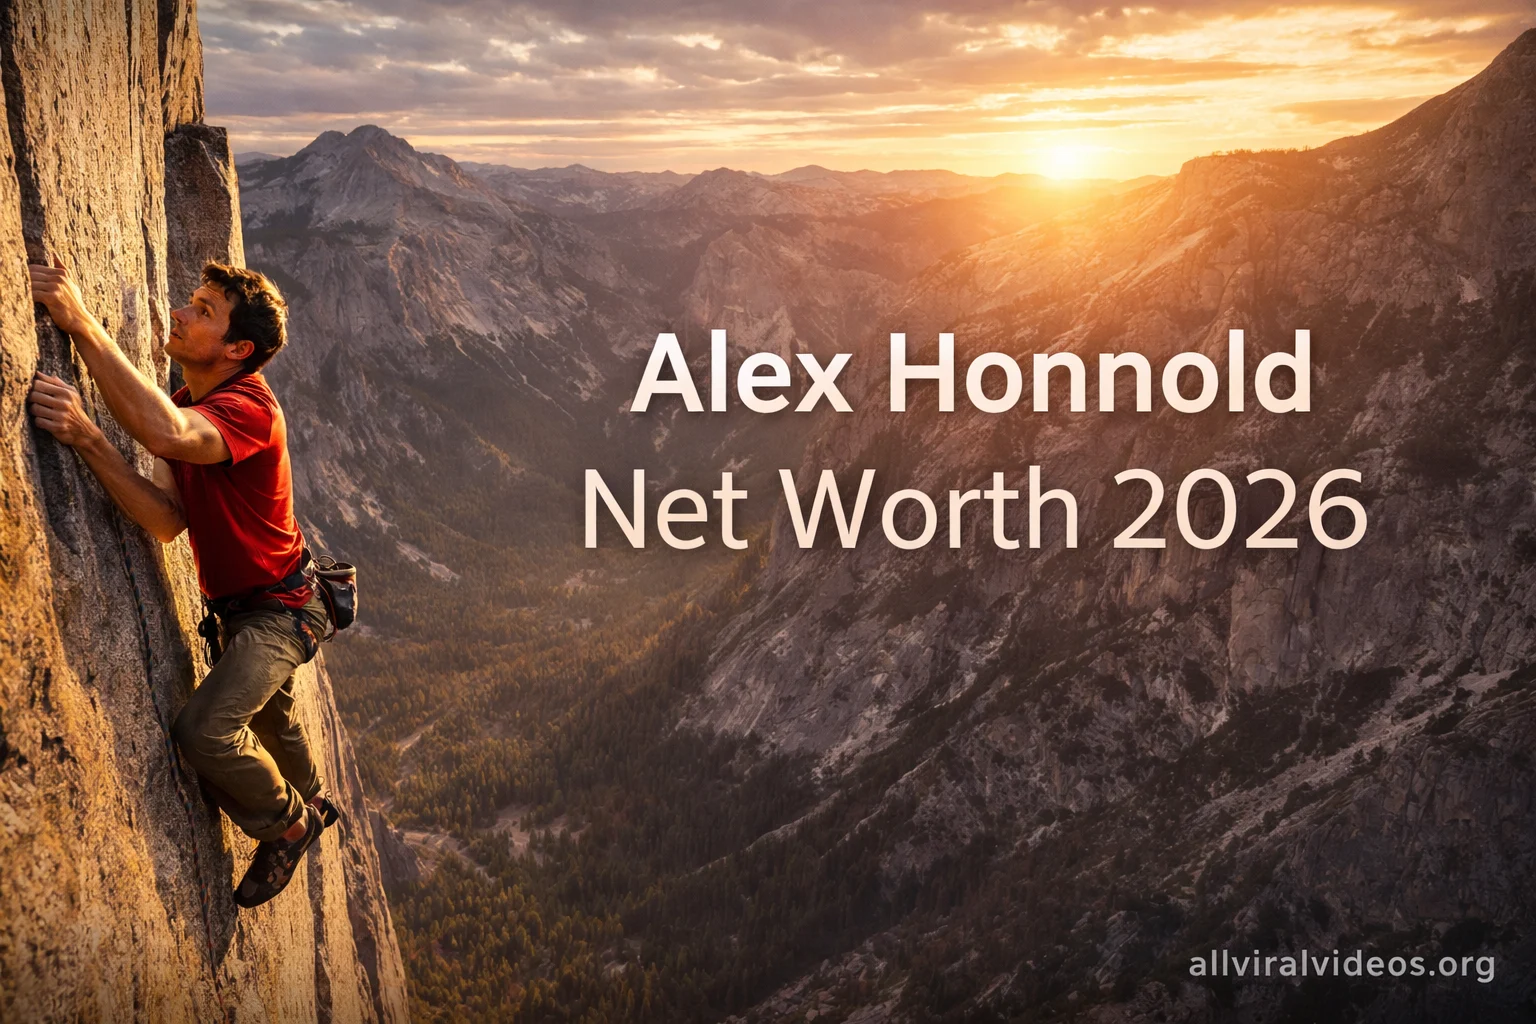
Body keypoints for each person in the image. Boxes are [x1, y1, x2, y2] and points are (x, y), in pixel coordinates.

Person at [27, 258, 334, 908]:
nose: (180, 313)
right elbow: (167, 520)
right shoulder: (196, 399)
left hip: (281, 612)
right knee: (274, 731)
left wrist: (78, 321)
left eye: (202, 310)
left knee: (204, 734)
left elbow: (166, 432)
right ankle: (307, 801)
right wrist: (88, 438)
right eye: (191, 301)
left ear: (237, 349)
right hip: (247, 610)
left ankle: (291, 824)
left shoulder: (249, 409)